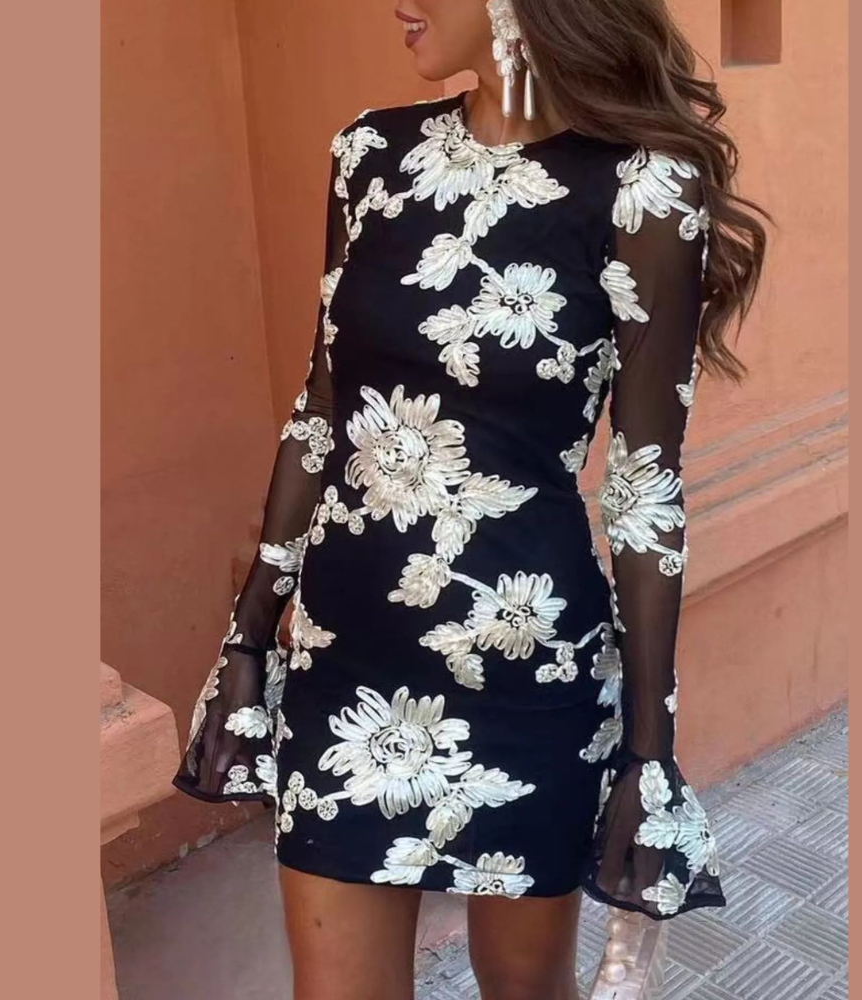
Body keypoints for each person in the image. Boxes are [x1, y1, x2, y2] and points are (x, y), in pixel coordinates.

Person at [173, 2, 768, 998]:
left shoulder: (644, 191)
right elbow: (322, 408)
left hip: (525, 672)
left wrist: (648, 756)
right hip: (344, 657)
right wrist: (248, 638)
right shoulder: (369, 154)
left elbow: (644, 490)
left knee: (525, 989)